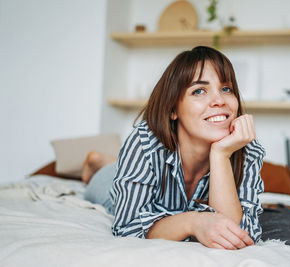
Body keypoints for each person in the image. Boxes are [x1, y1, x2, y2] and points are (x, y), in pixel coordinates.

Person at [83, 46, 266, 250]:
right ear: (172, 110)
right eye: (199, 91)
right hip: (108, 183)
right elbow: (127, 227)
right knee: (105, 186)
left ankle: (109, 162)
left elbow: (237, 233)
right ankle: (98, 164)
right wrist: (194, 222)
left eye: (226, 89)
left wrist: (221, 155)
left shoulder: (245, 147)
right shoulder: (145, 141)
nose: (219, 100)